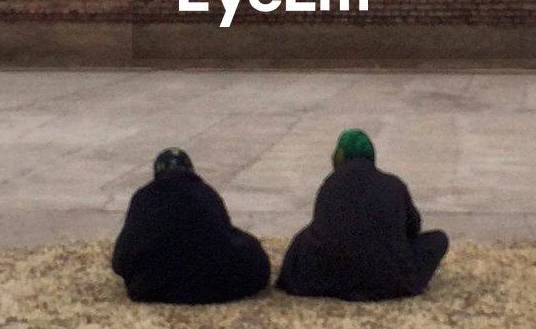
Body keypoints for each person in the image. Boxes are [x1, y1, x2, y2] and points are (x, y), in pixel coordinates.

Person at [276, 129, 449, 301]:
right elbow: (413, 228)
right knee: (438, 239)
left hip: (328, 278)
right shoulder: (393, 184)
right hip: (389, 280)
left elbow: (323, 229)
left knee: (304, 238)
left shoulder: (331, 183)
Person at [112, 148, 271, 304]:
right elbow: (224, 233)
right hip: (216, 284)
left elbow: (122, 256)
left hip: (155, 287)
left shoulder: (144, 197)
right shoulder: (206, 192)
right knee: (251, 249)